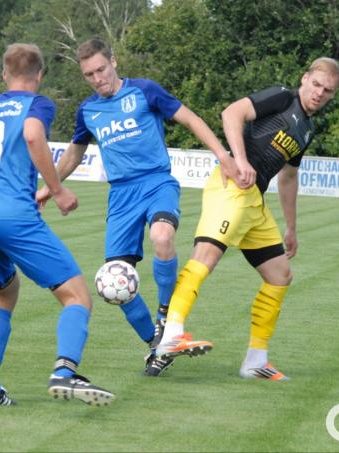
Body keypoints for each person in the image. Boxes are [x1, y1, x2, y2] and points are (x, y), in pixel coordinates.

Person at [36, 38, 244, 377]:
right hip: (121, 196)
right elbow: (75, 152)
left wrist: (223, 156)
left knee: (163, 238)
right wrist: (49, 187)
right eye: (89, 74)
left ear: (114, 62)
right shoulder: (88, 111)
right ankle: (157, 345)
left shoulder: (145, 91)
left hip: (156, 183)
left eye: (101, 69)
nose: (97, 78)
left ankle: (166, 317)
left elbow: (190, 119)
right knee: (111, 284)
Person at [0, 43, 114, 406]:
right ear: (39, 75)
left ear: (3, 75)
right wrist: (56, 190)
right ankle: (64, 372)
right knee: (77, 296)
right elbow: (32, 134)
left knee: (4, 294)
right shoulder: (37, 104)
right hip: (15, 216)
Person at [155, 57, 339, 381]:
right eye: (316, 85)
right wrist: (238, 160)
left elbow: (288, 178)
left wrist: (292, 227)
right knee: (206, 256)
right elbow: (232, 112)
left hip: (253, 201)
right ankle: (171, 334)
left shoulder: (307, 129)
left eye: (327, 91)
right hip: (232, 187)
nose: (319, 93)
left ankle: (255, 361)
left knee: (280, 275)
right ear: (304, 79)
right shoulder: (282, 98)